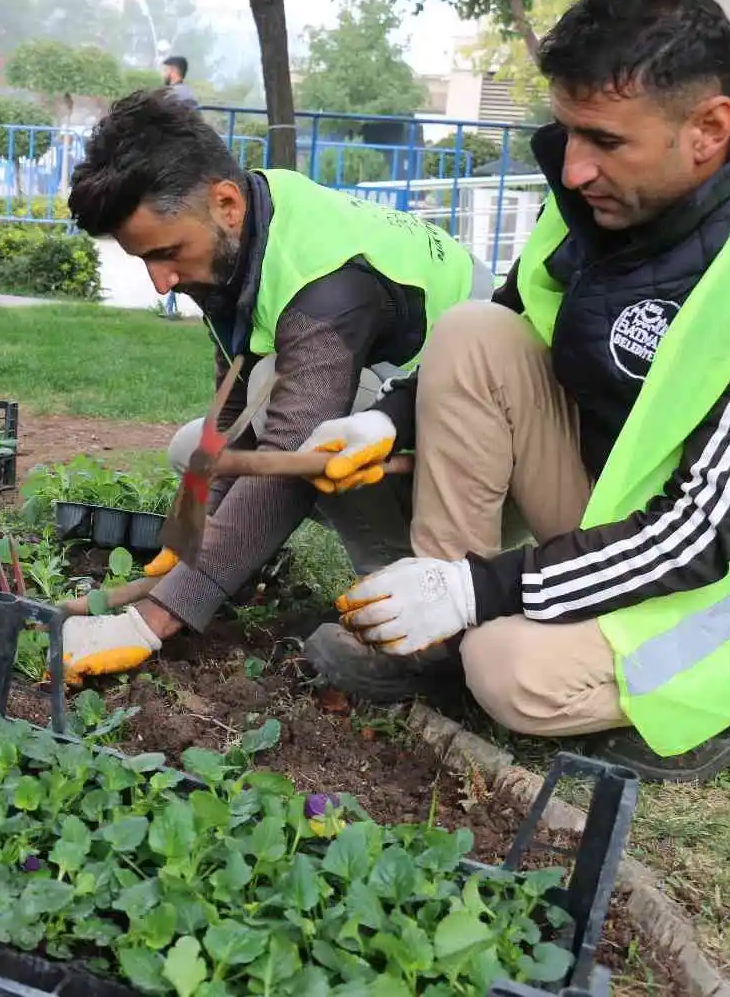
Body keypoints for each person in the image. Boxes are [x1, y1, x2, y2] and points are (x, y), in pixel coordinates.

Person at [299, 0, 730, 783]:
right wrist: (390, 418)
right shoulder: (605, 193)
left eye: (605, 141)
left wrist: (484, 589)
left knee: (507, 671)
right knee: (474, 330)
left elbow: (702, 532)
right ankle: (433, 628)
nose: (573, 168)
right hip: (619, 514)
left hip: (722, 584)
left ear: (709, 129)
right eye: (568, 132)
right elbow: (516, 311)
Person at [59, 89, 495, 685]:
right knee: (196, 449)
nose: (160, 281)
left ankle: (411, 617)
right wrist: (189, 544)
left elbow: (292, 460)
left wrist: (155, 617)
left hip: (485, 454)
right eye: (145, 261)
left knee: (316, 439)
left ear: (226, 203)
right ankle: (245, 563)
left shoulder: (325, 281)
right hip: (407, 418)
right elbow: (233, 410)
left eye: (166, 254)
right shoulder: (245, 234)